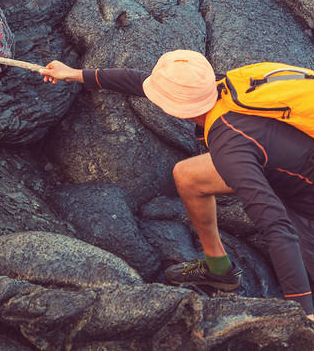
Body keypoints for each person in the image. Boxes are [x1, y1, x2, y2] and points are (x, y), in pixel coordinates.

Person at [41, 49, 314, 321]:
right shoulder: (220, 87)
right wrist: (75, 75)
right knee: (188, 176)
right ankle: (219, 268)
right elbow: (140, 82)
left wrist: (303, 318)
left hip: (304, 202)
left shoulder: (229, 146)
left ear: (176, 109)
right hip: (288, 165)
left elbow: (276, 227)